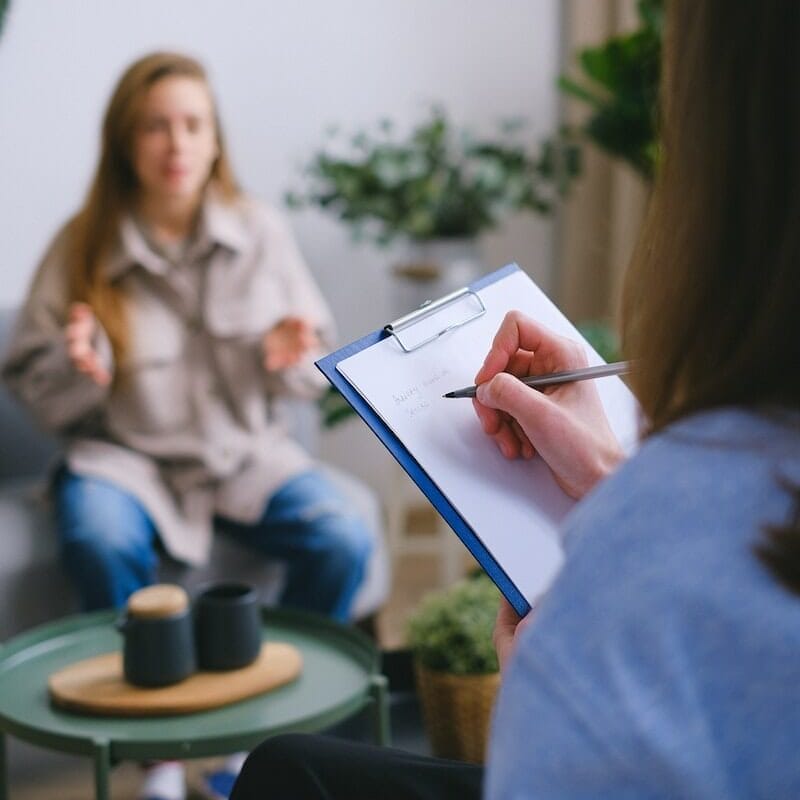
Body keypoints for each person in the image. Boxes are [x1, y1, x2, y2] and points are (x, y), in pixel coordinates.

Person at [229, 1, 800, 798]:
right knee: (293, 764)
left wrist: (541, 692)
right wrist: (607, 473)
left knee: (286, 776)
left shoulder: (650, 587)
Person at [2, 52, 373, 800]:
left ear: (215, 140)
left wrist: (287, 360)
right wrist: (83, 372)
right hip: (124, 462)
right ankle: (157, 760)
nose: (176, 144)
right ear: (124, 143)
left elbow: (314, 373)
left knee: (345, 535)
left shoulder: (260, 230)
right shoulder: (80, 246)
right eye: (155, 127)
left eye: (192, 125)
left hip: (244, 459)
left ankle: (253, 744)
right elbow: (34, 391)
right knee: (96, 534)